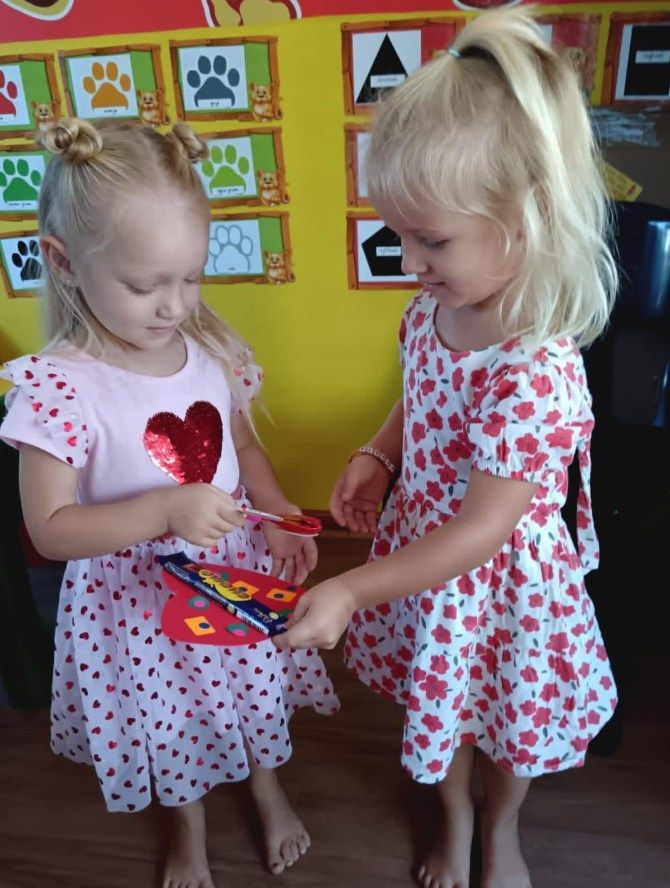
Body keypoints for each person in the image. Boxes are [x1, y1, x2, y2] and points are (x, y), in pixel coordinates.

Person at [275, 9, 618, 887]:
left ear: (529, 217)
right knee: (446, 708)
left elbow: (479, 534)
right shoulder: (429, 310)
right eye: (400, 233)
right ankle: (454, 816)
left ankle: (499, 825)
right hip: (427, 556)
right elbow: (418, 391)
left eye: (433, 240)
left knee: (505, 721)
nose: (409, 260)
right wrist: (379, 453)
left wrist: (348, 586)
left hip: (496, 579)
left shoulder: (537, 369)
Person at [0, 117, 338, 888]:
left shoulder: (213, 349)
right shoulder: (58, 390)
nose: (174, 305)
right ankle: (187, 826)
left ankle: (265, 785)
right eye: (146, 284)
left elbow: (242, 451)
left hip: (229, 573)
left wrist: (282, 516)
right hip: (134, 603)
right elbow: (49, 531)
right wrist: (164, 510)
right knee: (172, 718)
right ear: (62, 262)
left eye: (190, 276)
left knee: (249, 690)